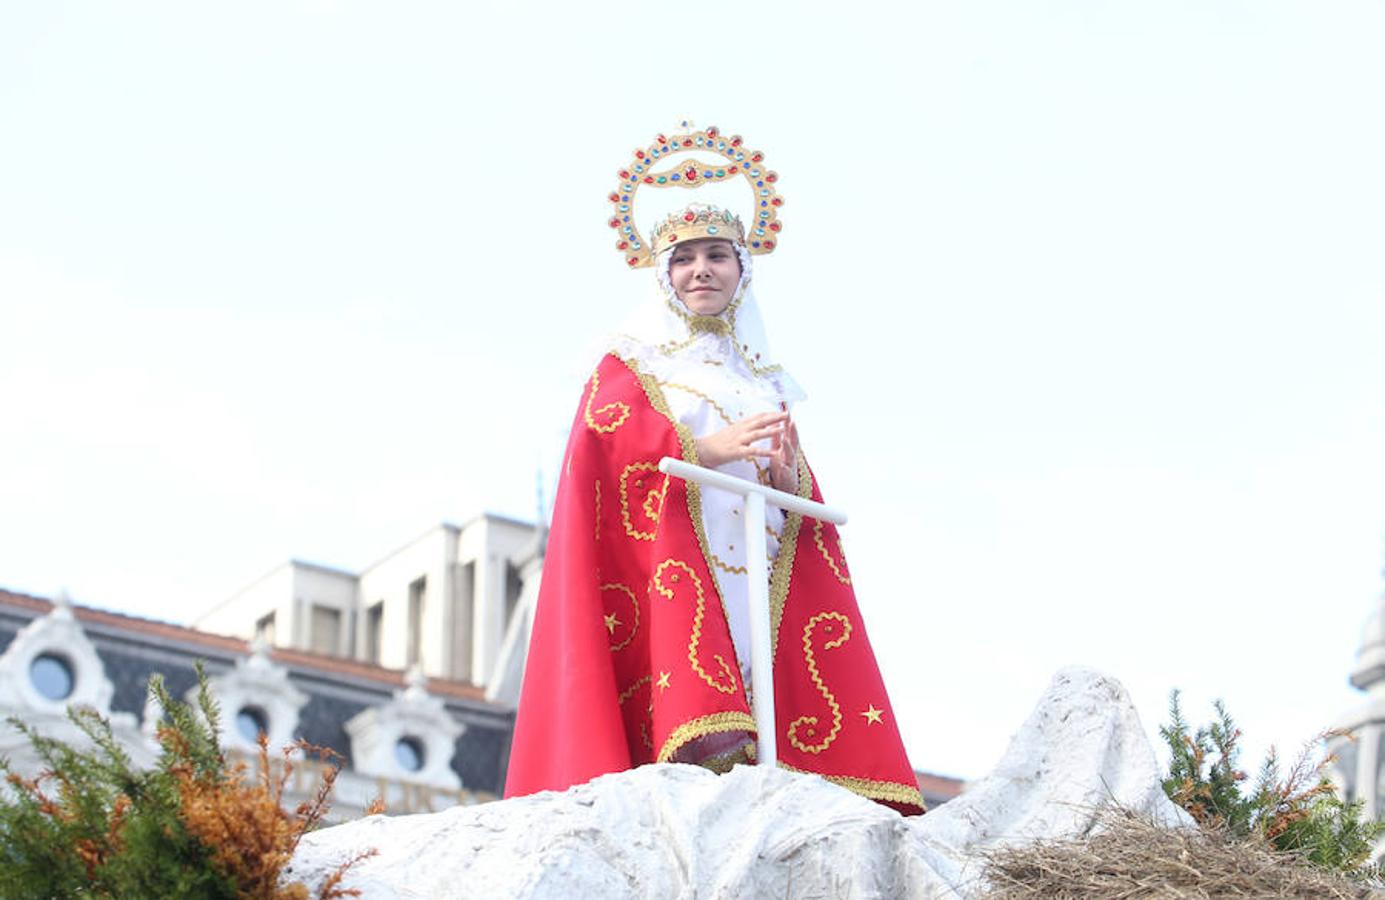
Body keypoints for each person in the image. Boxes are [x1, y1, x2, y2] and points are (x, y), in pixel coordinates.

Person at [505, 196, 924, 815]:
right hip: (673, 564)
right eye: (685, 258)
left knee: (764, 685)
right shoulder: (632, 362)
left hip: (760, 555)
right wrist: (706, 448)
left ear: (741, 270)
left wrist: (788, 473)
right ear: (664, 275)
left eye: (717, 256)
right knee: (695, 693)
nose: (702, 270)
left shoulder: (765, 377)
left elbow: (792, 472)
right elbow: (607, 452)